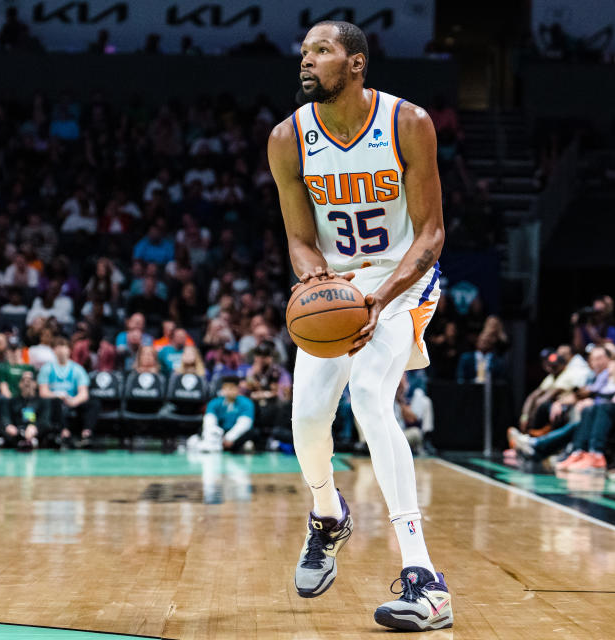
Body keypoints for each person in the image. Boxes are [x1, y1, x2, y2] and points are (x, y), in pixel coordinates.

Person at [268, 21, 451, 630]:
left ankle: (425, 581)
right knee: (307, 419)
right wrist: (319, 279)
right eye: (304, 52)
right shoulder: (288, 138)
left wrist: (383, 297)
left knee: (372, 398)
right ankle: (327, 515)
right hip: (337, 286)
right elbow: (298, 238)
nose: (307, 61)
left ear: (355, 63)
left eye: (321, 51)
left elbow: (431, 232)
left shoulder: (408, 122)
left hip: (402, 279)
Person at [37, 336, 97, 447]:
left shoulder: (77, 369)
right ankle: (64, 433)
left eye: (63, 347)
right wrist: (57, 395)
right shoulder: (47, 368)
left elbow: (84, 393)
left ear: (69, 350)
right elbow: (43, 392)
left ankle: (86, 434)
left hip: (73, 401)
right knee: (55, 403)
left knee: (93, 403)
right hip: (55, 401)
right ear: (53, 350)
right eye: (57, 347)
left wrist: (74, 401)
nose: (61, 350)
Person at [200, 375, 257, 451]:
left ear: (238, 389)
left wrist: (230, 438)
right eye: (226, 388)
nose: (229, 391)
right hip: (220, 434)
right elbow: (209, 421)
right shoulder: (214, 402)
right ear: (222, 389)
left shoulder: (246, 402)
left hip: (236, 435)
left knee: (253, 433)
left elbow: (245, 423)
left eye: (232, 388)